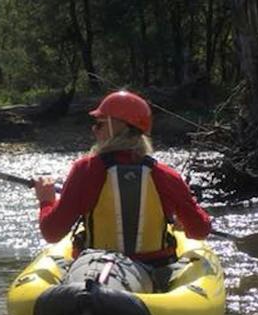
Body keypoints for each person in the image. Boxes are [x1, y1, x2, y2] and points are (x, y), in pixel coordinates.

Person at [33, 90, 211, 270]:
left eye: (99, 124)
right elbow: (200, 230)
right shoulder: (166, 175)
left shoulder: (85, 170)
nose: (94, 129)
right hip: (154, 271)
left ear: (116, 127)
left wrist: (46, 201)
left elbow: (52, 233)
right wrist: (183, 218)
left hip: (95, 268)